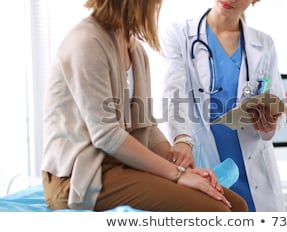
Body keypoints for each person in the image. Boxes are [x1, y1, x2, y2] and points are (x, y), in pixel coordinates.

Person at [41, 0, 247, 212]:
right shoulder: (87, 42)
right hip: (80, 177)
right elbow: (106, 135)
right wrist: (177, 174)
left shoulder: (135, 50)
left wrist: (180, 166)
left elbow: (146, 125)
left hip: (120, 167)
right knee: (217, 211)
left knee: (237, 205)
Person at [162, 0, 286, 211]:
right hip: (207, 165)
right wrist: (181, 138)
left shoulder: (264, 45)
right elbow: (173, 92)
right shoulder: (180, 35)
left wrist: (269, 124)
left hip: (253, 170)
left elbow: (276, 101)